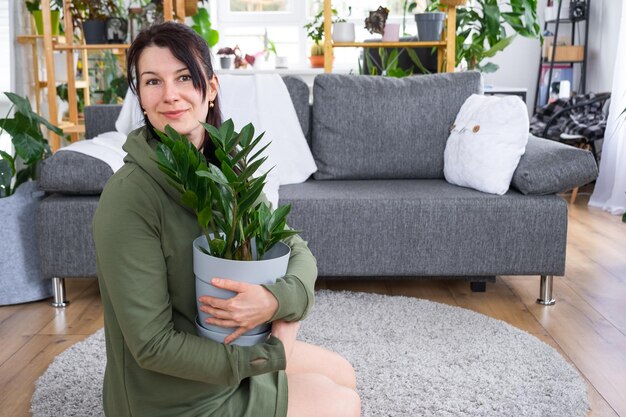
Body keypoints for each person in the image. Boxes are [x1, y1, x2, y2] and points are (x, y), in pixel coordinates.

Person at [92, 21, 360, 417]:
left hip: (229, 350)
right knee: (342, 402)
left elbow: (297, 250)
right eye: (152, 82)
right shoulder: (129, 198)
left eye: (184, 76)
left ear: (211, 88)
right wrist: (271, 354)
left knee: (343, 374)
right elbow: (152, 346)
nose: (170, 95)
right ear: (141, 99)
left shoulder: (226, 165)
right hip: (172, 394)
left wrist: (275, 302)